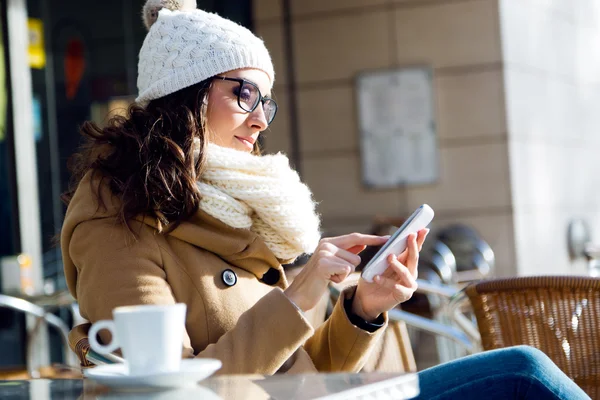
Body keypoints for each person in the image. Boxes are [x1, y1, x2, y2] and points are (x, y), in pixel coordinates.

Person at [59, 1, 590, 398]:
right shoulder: (117, 218)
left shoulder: (233, 203)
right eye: (243, 93)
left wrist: (362, 310)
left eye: (266, 101)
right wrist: (297, 296)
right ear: (185, 94)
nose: (260, 118)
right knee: (524, 372)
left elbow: (306, 365)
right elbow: (166, 392)